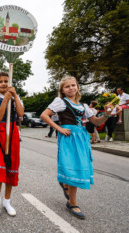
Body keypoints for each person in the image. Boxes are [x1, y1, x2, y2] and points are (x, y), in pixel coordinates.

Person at [40, 75, 114, 219]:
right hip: (68, 137)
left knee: (78, 165)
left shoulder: (83, 106)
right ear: (62, 90)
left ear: (77, 87)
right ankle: (72, 202)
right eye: (67, 86)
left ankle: (66, 184)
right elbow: (44, 115)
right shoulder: (60, 102)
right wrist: (59, 129)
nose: (71, 88)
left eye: (73, 85)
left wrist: (107, 113)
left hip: (81, 138)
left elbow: (97, 122)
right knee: (71, 166)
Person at [0, 72, 24, 219]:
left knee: (11, 167)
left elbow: (21, 114)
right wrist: (6, 99)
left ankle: (7, 201)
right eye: (0, 82)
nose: (3, 83)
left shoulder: (15, 96)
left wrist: (14, 96)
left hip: (13, 133)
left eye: (6, 81)